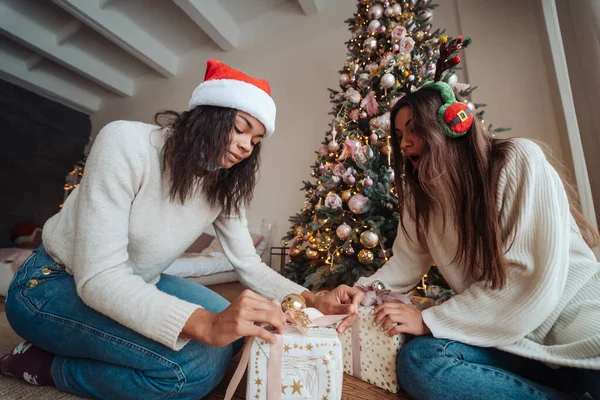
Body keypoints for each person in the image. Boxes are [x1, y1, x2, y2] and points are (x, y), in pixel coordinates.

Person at [0, 60, 352, 400]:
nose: (247, 146)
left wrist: (310, 298)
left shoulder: (223, 185)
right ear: (209, 113)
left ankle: (97, 349)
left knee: (231, 336)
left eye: (256, 140)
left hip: (139, 280)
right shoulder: (126, 142)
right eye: (241, 127)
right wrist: (206, 325)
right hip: (52, 284)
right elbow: (100, 277)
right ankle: (48, 366)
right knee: (194, 368)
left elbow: (250, 264)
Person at [332, 82, 600, 399]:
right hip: (513, 344)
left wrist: (428, 320)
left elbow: (525, 280)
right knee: (421, 360)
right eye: (400, 135)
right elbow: (404, 264)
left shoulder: (517, 161)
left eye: (412, 129)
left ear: (450, 124)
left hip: (580, 340)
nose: (404, 143)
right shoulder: (422, 199)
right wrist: (361, 292)